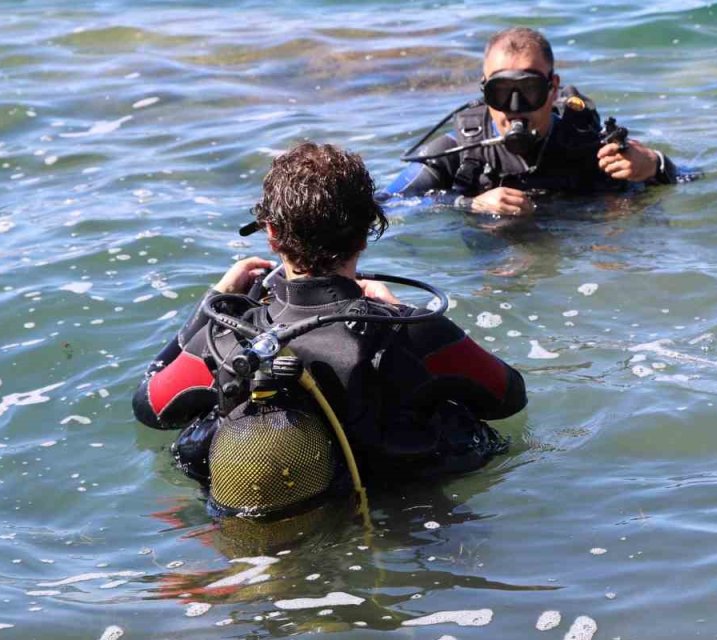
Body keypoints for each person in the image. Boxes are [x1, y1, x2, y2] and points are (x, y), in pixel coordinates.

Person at [133, 142, 527, 516]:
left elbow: (150, 407)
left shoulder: (225, 336)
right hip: (396, 519)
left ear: (271, 234)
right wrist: (402, 311)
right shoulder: (415, 332)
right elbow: (508, 396)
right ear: (367, 231)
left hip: (279, 525)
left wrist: (212, 304)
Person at [383, 26, 678, 215]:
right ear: (484, 91)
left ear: (553, 88)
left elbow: (692, 178)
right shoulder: (456, 152)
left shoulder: (591, 145)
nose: (514, 108)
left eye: (529, 91)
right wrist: (468, 204)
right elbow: (385, 202)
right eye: (500, 92)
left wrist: (654, 164)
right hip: (495, 276)